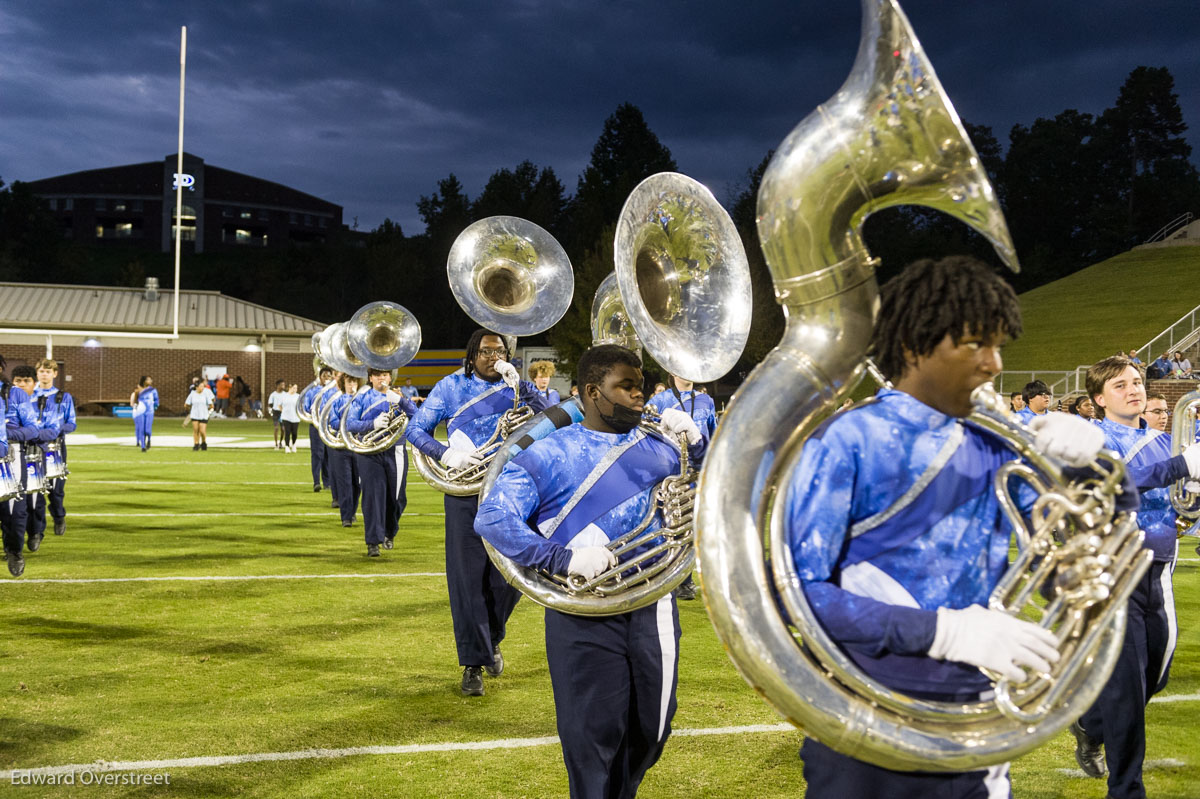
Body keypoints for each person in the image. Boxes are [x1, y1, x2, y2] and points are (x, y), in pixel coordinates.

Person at [784, 257, 1108, 797]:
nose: (995, 364)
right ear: (915, 343)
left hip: (974, 722)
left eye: (998, 346)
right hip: (865, 717)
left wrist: (1093, 464)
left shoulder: (1000, 443)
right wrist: (944, 631)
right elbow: (799, 594)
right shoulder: (850, 439)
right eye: (977, 344)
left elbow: (1079, 545)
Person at [475, 343, 705, 798]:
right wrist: (563, 559)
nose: (641, 396)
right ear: (592, 393)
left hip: (652, 606)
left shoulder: (661, 447)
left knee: (653, 729)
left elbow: (714, 492)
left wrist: (697, 450)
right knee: (590, 742)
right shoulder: (550, 451)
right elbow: (493, 518)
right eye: (627, 386)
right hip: (581, 614)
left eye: (641, 386)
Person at [1072, 355, 1196, 799]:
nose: (1134, 389)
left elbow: (1181, 501)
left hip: (1159, 568)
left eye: (1138, 382)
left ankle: (1090, 723)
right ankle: (1126, 790)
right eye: (1121, 385)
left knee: (1154, 676)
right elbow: (1116, 480)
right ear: (1099, 399)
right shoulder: (1090, 438)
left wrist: (1193, 491)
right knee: (1126, 687)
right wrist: (1182, 465)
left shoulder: (1164, 440)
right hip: (1114, 572)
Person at [406, 329, 548, 696]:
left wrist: (526, 390)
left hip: (512, 487)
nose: (493, 356)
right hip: (465, 488)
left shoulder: (515, 385)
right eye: (486, 351)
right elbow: (416, 428)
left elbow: (555, 418)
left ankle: (492, 637)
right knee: (467, 578)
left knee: (513, 573)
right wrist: (445, 454)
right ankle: (472, 664)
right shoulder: (451, 386)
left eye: (499, 350)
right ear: (472, 354)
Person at [646, 373, 718, 601]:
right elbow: (645, 432)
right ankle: (680, 579)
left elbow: (712, 431)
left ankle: (704, 578)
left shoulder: (706, 400)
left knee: (700, 526)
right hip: (671, 472)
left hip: (699, 470)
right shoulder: (660, 400)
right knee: (676, 525)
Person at [346, 369, 417, 555]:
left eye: (385, 375)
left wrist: (401, 401)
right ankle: (373, 542)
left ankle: (389, 531)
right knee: (373, 497)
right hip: (370, 452)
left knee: (398, 498)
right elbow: (349, 424)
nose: (381, 378)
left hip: (396, 450)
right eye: (377, 375)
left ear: (390, 377)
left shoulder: (399, 396)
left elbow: (418, 416)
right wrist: (373, 424)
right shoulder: (362, 398)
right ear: (370, 378)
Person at [1, 355, 52, 577]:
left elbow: (32, 429)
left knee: (14, 509)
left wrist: (6, 433)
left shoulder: (14, 394)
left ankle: (14, 551)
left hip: (10, 456)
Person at [24, 359, 76, 545]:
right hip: (32, 447)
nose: (44, 374)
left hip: (55, 448)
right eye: (41, 371)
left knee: (55, 491)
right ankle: (37, 532)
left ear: (55, 374)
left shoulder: (64, 397)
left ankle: (59, 515)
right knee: (35, 492)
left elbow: (72, 423)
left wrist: (55, 430)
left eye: (48, 371)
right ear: (36, 374)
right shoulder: (27, 395)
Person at [325, 373, 363, 528]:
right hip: (341, 446)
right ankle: (346, 516)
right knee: (345, 482)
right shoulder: (337, 401)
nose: (352, 384)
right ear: (343, 383)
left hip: (359, 446)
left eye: (354, 381)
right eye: (349, 381)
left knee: (357, 484)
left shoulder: (363, 401)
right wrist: (350, 423)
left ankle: (352, 511)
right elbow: (333, 421)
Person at [303, 367, 335, 493]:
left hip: (330, 426)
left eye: (329, 376)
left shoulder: (334, 391)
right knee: (317, 454)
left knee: (329, 455)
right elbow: (305, 407)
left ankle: (327, 482)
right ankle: (316, 482)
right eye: (324, 376)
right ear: (320, 377)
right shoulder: (312, 391)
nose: (327, 378)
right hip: (316, 426)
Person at [131, 376, 159, 451]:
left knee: (147, 430)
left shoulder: (153, 390)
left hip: (150, 411)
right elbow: (135, 401)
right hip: (140, 411)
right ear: (144, 381)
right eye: (149, 380)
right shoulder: (138, 390)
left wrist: (155, 407)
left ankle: (149, 440)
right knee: (141, 429)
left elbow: (156, 400)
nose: (151, 381)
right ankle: (143, 446)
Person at [184, 379, 214, 451]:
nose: (202, 388)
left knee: (202, 431)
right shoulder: (192, 394)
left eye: (203, 386)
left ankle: (203, 442)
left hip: (204, 415)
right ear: (197, 387)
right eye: (201, 386)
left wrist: (208, 410)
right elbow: (186, 404)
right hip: (195, 415)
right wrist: (190, 409)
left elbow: (211, 405)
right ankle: (196, 444)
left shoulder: (205, 394)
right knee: (196, 430)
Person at [277, 383, 302, 453]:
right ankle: (287, 446)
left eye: (296, 388)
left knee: (294, 432)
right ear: (289, 388)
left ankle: (294, 445)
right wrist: (284, 411)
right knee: (287, 432)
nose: (295, 389)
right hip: (286, 417)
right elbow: (279, 405)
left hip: (295, 418)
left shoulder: (298, 396)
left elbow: (300, 406)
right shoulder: (284, 396)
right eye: (294, 388)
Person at [267, 379, 287, 449]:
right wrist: (270, 412)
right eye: (282, 385)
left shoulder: (285, 394)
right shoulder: (273, 394)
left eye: (284, 385)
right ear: (278, 386)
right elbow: (270, 404)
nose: (283, 386)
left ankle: (281, 442)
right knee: (276, 428)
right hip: (276, 412)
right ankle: (276, 443)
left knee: (283, 429)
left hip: (283, 413)